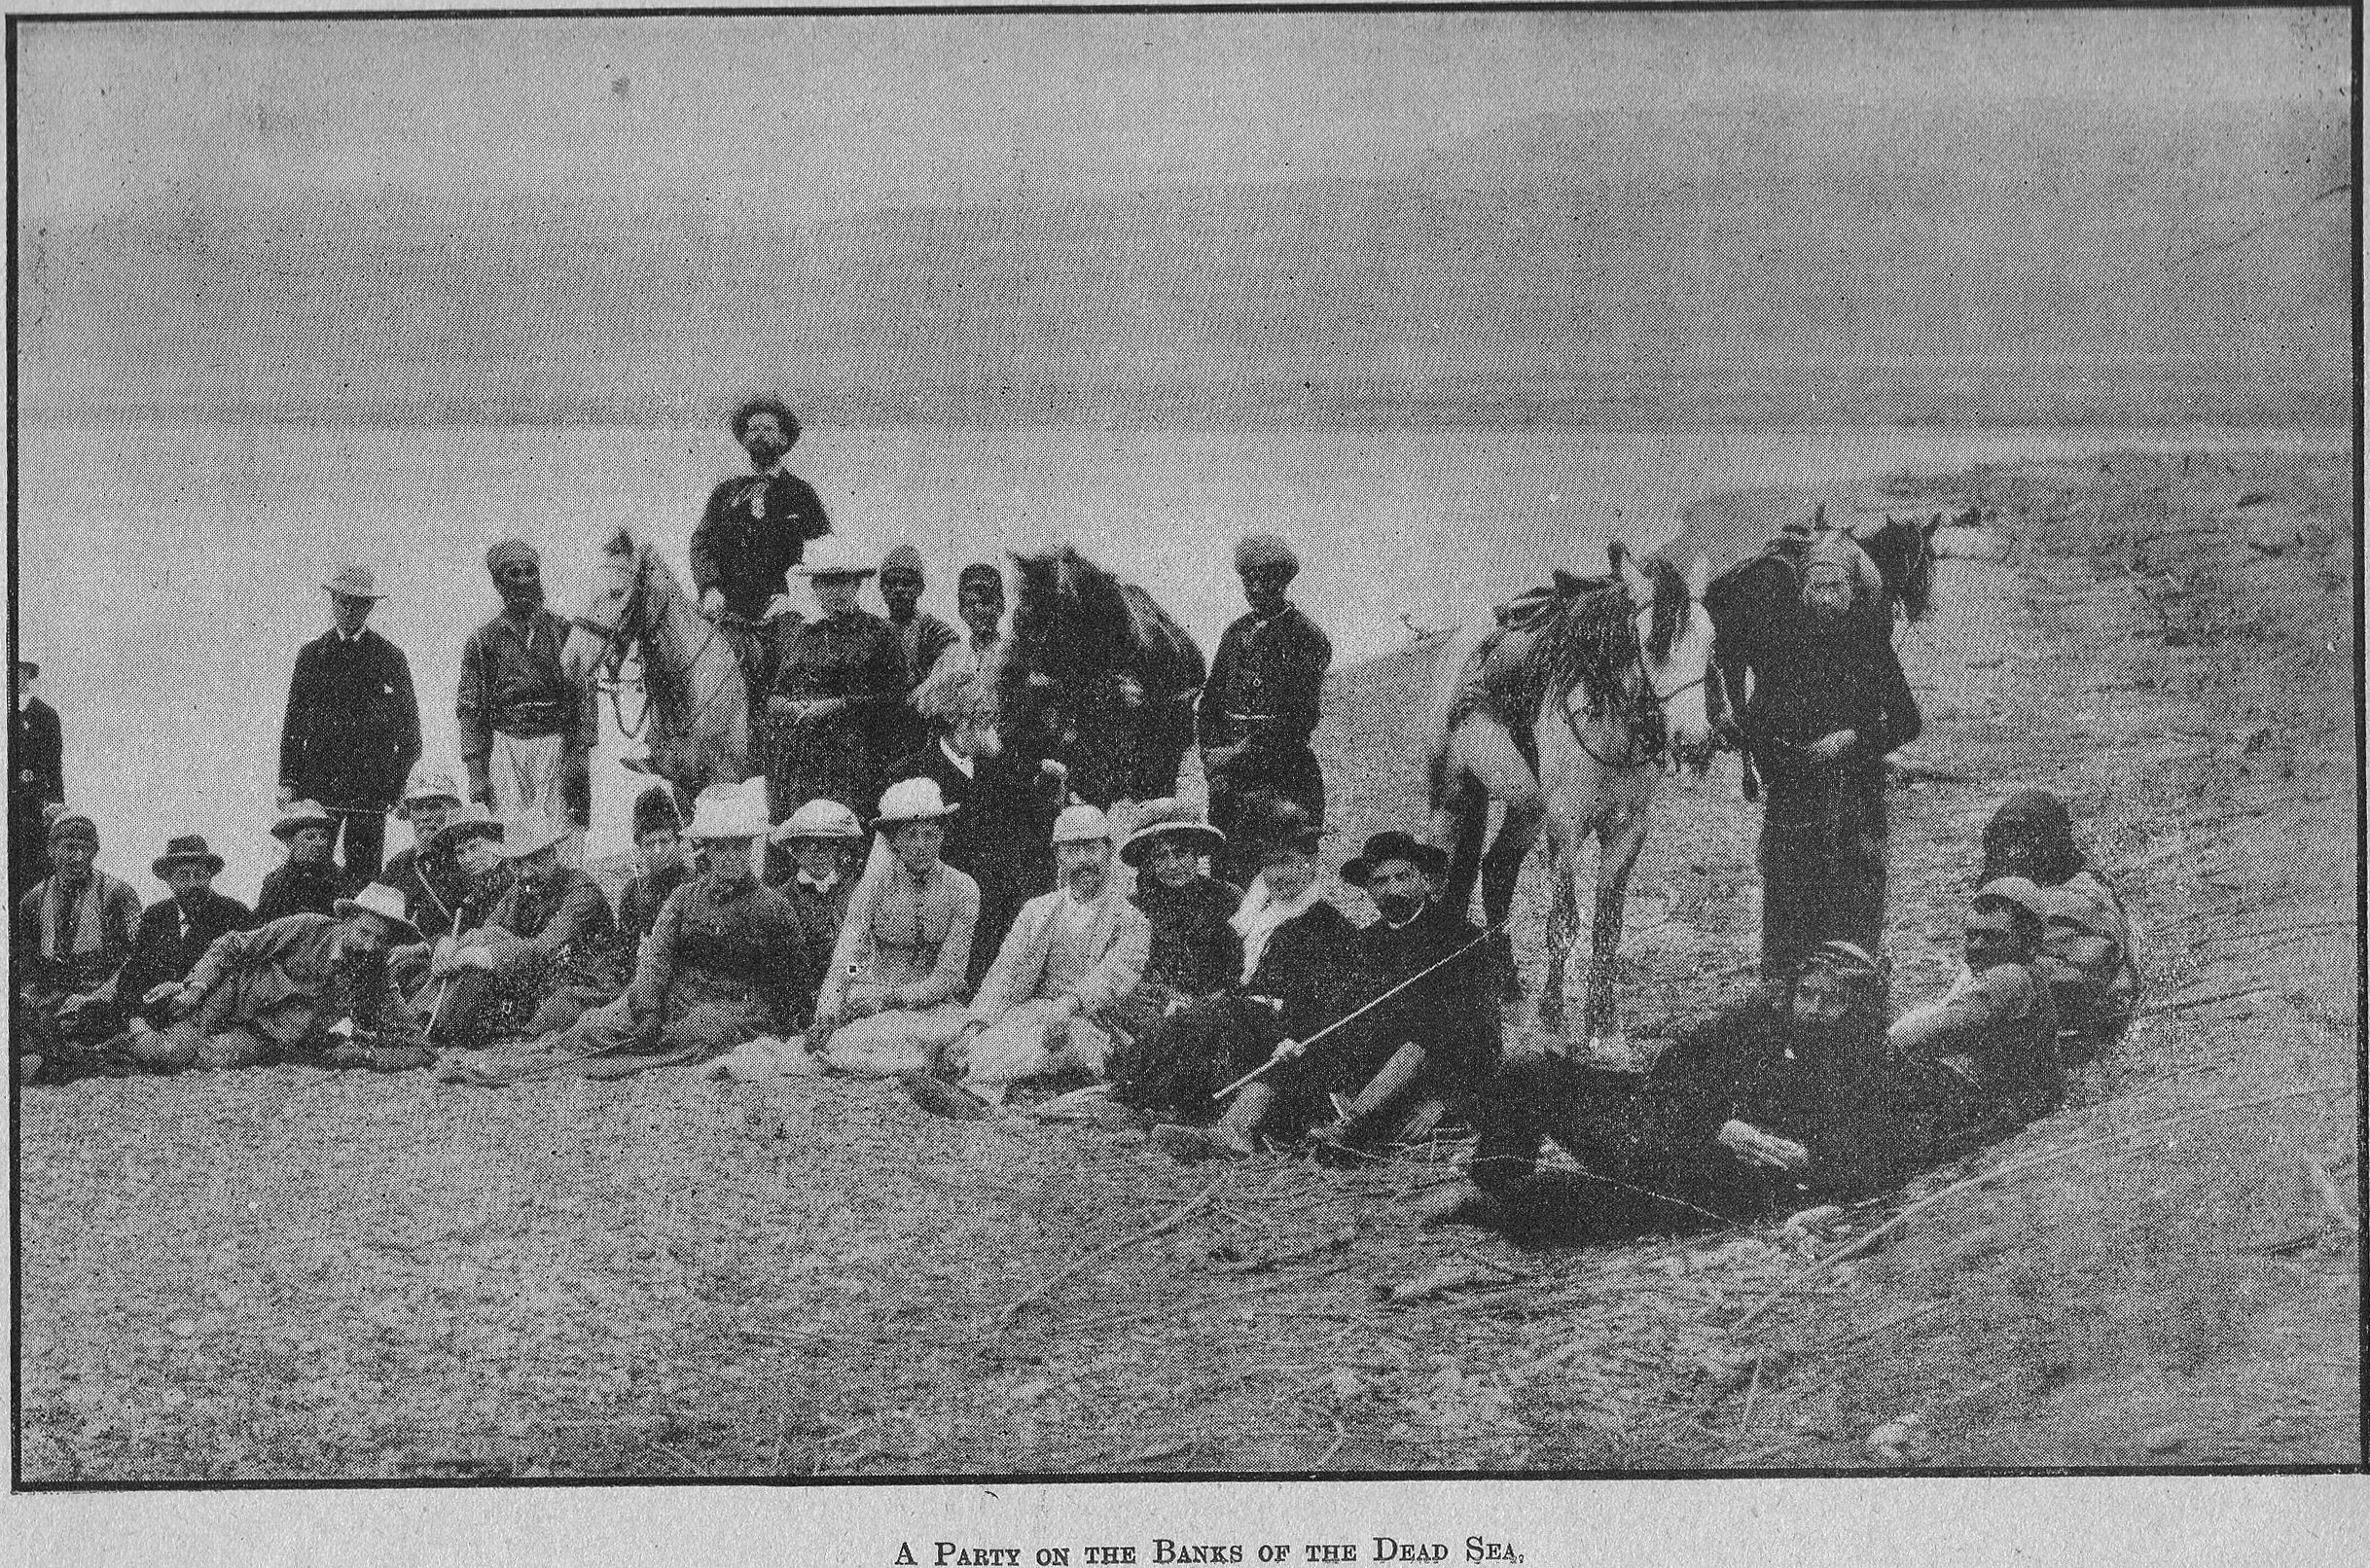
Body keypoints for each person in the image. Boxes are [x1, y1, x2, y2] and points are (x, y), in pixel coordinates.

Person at [1432, 942, 1905, 1233]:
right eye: (1812, 992)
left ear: (1855, 1011)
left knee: (1566, 1212)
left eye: (1837, 1001)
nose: (1819, 1008)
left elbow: (1850, 1156)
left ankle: (1527, 1209)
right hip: (1655, 1125)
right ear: (1797, 984)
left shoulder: (1851, 1062)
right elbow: (1672, 1071)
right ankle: (1494, 1179)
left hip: (1709, 1169)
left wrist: (1778, 1150)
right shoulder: (1754, 1018)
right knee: (1532, 1071)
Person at [1117, 801, 1366, 1157]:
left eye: (1289, 864)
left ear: (1310, 864)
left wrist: (1282, 1027)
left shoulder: (1325, 923)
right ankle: (1146, 1105)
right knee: (1202, 1018)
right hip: (1244, 1025)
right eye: (1270, 865)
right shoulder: (1254, 914)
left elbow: (1327, 1002)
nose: (1280, 876)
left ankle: (1231, 1128)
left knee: (1217, 1017)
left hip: (1292, 1037)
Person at [1730, 530, 1922, 977]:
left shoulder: (1869, 645)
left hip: (1857, 804)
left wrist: (1851, 740)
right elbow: (1757, 725)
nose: (1829, 598)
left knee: (1853, 929)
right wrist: (1781, 756)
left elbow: (1905, 720)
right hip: (1794, 808)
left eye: (1838, 586)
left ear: (1854, 589)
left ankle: (1851, 1012)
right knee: (1788, 924)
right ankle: (1781, 1011)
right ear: (1803, 592)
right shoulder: (1780, 653)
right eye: (1818, 587)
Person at [716, 778, 979, 1082]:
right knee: (842, 1045)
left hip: (934, 1005)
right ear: (893, 840)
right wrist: (832, 1009)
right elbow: (849, 959)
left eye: (929, 835)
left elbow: (950, 975)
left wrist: (892, 998)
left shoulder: (962, 890)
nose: (920, 845)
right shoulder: (873, 889)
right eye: (910, 836)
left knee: (969, 1037)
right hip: (875, 1002)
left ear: (942, 835)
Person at [1306, 830, 1503, 1164]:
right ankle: (1352, 1121)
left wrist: (1444, 1100)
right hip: (1372, 1074)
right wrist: (1340, 1078)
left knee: (1416, 1043)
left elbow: (1483, 1032)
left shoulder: (1461, 938)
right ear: (1368, 891)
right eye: (1381, 882)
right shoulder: (1363, 944)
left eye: (1403, 877)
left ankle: (1351, 1128)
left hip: (1435, 1075)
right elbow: (1342, 1018)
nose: (1393, 889)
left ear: (1425, 881)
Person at [933, 804, 1151, 1106]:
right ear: (1059, 855)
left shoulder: (1130, 921)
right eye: (1072, 851)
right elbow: (1006, 973)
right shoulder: (1038, 910)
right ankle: (984, 1091)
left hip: (1089, 1020)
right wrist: (977, 1023)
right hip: (1031, 1012)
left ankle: (979, 1094)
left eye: (1091, 849)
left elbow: (1112, 979)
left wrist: (1066, 1007)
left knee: (1043, 1044)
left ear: (1108, 850)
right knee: (980, 1040)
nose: (1083, 861)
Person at [131, 883, 433, 1073]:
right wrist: (196, 988)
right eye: (365, 933)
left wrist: (364, 1055)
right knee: (171, 1055)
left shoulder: (374, 971)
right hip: (223, 1000)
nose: (370, 946)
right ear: (347, 921)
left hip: (264, 1037)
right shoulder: (305, 928)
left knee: (210, 1061)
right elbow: (232, 944)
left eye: (380, 941)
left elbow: (416, 1045)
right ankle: (133, 1028)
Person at [887, 666, 1059, 986]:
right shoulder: (913, 773)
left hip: (1002, 914)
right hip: (938, 919)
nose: (992, 724)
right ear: (954, 717)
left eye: (995, 715)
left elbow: (1035, 829)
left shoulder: (1004, 767)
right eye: (983, 715)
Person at [1885, 877, 2065, 1146]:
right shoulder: (2017, 969)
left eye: (1993, 937)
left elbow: (1933, 1031)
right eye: (1972, 935)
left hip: (2008, 1115)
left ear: (2028, 944)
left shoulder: (2010, 977)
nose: (1977, 946)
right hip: (2016, 1104)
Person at [1197, 533, 1333, 887]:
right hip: (1230, 786)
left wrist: (1235, 754)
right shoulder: (1234, 633)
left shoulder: (1306, 636)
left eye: (1266, 579)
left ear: (1283, 581)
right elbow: (1211, 703)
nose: (1256, 589)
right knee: (1231, 884)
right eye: (1249, 580)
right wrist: (1211, 758)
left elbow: (1299, 719)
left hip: (1283, 777)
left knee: (1286, 883)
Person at [414, 815, 619, 1050]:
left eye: (534, 861)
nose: (526, 872)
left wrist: (479, 956)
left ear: (552, 855)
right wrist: (450, 946)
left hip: (584, 986)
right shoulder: (522, 888)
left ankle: (437, 1028)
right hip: (540, 982)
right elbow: (487, 932)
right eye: (518, 863)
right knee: (484, 938)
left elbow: (546, 949)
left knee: (539, 1026)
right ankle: (426, 1021)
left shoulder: (582, 892)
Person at [276, 564, 422, 882]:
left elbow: (411, 735)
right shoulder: (311, 655)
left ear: (369, 607)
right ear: (332, 602)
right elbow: (294, 724)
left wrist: (394, 787)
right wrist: (288, 781)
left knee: (364, 872)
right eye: (343, 602)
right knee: (311, 868)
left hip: (369, 789)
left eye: (358, 604)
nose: (349, 610)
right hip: (318, 783)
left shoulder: (390, 657)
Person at [1970, 789, 2140, 1057]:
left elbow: (2071, 978)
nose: (2012, 854)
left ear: (2050, 845)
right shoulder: (2025, 894)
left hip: (2080, 1042)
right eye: (2004, 844)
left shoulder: (2078, 901)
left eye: (2022, 842)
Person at [457, 540, 594, 864]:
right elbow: (469, 709)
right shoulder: (481, 640)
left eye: (530, 572)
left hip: (557, 744)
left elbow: (584, 696)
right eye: (512, 573)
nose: (522, 581)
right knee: (512, 836)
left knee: (563, 835)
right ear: (500, 584)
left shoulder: (564, 631)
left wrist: (580, 753)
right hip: (507, 747)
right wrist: (476, 773)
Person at [764, 535, 906, 825]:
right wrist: (790, 707)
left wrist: (838, 706)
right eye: (827, 582)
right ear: (815, 586)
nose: (836, 590)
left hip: (860, 765)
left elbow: (896, 700)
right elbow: (773, 698)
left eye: (844, 581)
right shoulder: (800, 636)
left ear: (857, 584)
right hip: (803, 766)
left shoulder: (880, 634)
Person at [76, 834, 258, 1048]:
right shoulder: (156, 914)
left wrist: (183, 987)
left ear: (210, 876)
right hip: (159, 1010)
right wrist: (136, 1018)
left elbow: (243, 975)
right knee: (91, 1016)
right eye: (183, 876)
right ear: (169, 880)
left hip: (209, 1008)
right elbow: (135, 972)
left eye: (199, 875)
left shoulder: (234, 913)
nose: (193, 884)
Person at [12, 811, 144, 1080]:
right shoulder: (33, 901)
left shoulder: (118, 894)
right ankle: (56, 1057)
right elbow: (23, 962)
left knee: (91, 1023)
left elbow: (136, 960)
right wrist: (29, 997)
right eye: (70, 848)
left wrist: (94, 997)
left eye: (87, 849)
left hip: (100, 998)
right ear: (51, 850)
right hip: (50, 999)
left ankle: (56, 1061)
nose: (79, 857)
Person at [1104, 801, 1240, 1044]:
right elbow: (1125, 975)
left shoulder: (1227, 898)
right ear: (1149, 862)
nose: (1173, 865)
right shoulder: (1134, 909)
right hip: (1157, 1017)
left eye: (1181, 853)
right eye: (1161, 856)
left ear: (1196, 854)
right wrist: (1165, 998)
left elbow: (1245, 966)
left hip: (1220, 1013)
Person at [692, 396, 832, 624]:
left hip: (784, 610)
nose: (759, 434)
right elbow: (701, 542)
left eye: (768, 429)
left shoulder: (801, 493)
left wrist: (796, 596)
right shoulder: (725, 493)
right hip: (727, 609)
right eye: (753, 429)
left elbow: (824, 553)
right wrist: (709, 588)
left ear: (783, 439)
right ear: (745, 439)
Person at [767, 798, 864, 1006]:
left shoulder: (856, 892)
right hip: (800, 1000)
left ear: (838, 849)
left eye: (826, 846)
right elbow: (780, 965)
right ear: (795, 851)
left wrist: (849, 978)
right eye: (807, 846)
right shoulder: (780, 899)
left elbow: (862, 952)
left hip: (851, 991)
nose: (817, 854)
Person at [877, 544, 961, 764]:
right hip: (882, 727)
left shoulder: (932, 629)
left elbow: (954, 660)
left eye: (907, 583)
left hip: (924, 730)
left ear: (920, 588)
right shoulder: (874, 631)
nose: (899, 590)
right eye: (891, 583)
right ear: (882, 589)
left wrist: (926, 687)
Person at [378, 766, 469, 940]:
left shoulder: (466, 862)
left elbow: (472, 926)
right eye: (418, 808)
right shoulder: (399, 864)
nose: (425, 816)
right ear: (409, 813)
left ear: (452, 811)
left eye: (434, 807)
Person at [11, 659, 65, 906]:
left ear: (28, 677)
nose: (13, 677)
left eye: (18, 672)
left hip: (33, 809)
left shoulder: (45, 715)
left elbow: (53, 766)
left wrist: (55, 803)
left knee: (34, 878)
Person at [255, 800, 358, 923]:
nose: (319, 843)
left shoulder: (341, 879)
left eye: (324, 837)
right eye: (310, 837)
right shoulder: (275, 883)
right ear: (290, 842)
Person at [616, 785, 695, 946]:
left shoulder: (695, 885)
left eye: (665, 841)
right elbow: (625, 950)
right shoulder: (632, 893)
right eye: (650, 843)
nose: (658, 851)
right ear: (640, 848)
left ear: (677, 842)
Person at [921, 562, 1008, 689]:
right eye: (970, 603)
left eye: (985, 602)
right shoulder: (950, 657)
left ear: (1000, 606)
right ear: (962, 611)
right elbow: (923, 697)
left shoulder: (1010, 653)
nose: (978, 610)